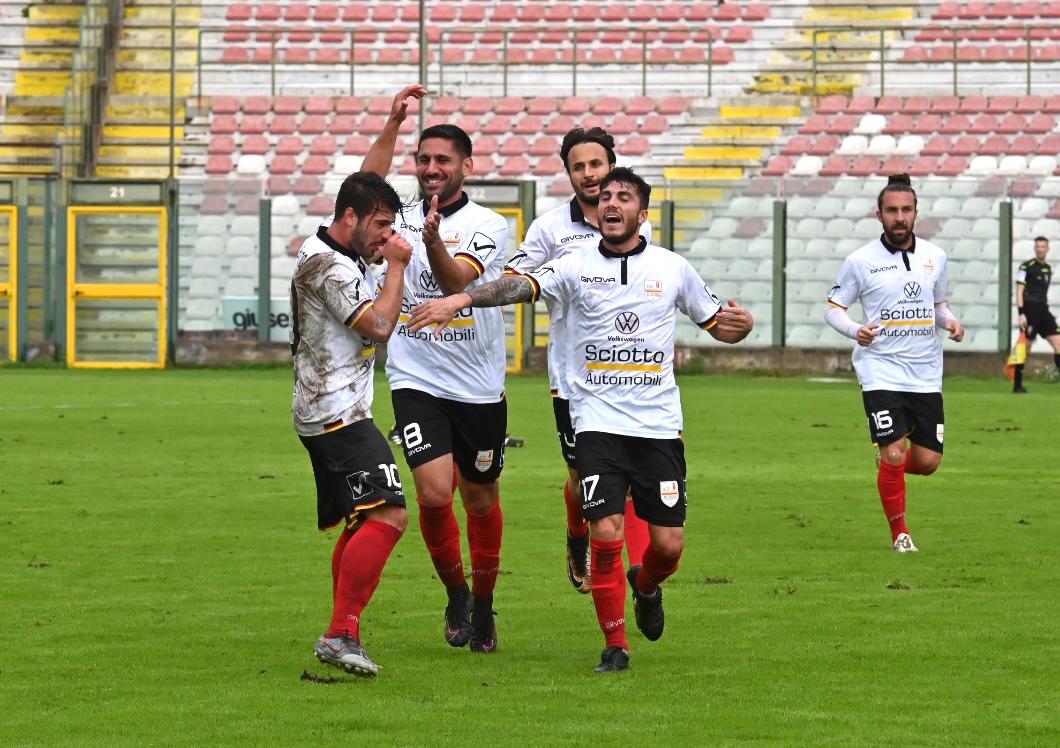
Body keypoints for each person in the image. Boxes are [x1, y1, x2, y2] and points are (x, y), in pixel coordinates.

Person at [408, 167, 754, 672]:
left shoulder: (672, 267)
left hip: (658, 426)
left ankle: (647, 587)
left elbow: (718, 324)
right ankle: (615, 646)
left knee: (667, 546)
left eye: (624, 197)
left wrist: (741, 327)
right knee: (607, 534)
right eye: (607, 196)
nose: (612, 203)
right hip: (595, 421)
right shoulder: (573, 264)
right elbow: (518, 285)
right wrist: (462, 297)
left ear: (643, 213)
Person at [364, 103, 510, 654]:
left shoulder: (488, 225)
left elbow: (456, 282)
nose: (431, 168)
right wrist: (393, 124)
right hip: (415, 377)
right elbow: (363, 187)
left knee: (481, 499)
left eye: (443, 160)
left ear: (467, 166)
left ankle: (486, 602)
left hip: (478, 386)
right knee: (432, 493)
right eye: (423, 159)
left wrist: (432, 243)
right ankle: (456, 595)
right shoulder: (397, 214)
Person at [504, 126, 653, 595]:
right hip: (571, 379)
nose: (589, 174)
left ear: (611, 165)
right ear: (568, 173)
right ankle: (577, 533)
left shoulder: (637, 222)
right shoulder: (549, 228)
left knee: (628, 480)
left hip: (628, 375)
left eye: (596, 164)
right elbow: (517, 275)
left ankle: (639, 575)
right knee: (581, 478)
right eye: (578, 167)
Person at [291, 170, 413, 678]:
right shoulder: (330, 268)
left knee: (366, 518)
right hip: (335, 412)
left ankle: (343, 630)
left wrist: (393, 129)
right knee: (391, 516)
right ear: (350, 217)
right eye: (381, 225)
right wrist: (398, 265)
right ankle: (341, 633)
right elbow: (380, 326)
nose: (387, 236)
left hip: (332, 410)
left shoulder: (331, 244)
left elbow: (367, 178)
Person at [825, 173, 965, 553]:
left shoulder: (936, 257)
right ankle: (900, 535)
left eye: (906, 210)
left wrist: (951, 322)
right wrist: (856, 330)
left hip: (925, 372)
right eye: (891, 211)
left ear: (916, 212)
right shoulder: (860, 261)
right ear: (879, 214)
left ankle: (888, 464)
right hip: (880, 369)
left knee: (928, 461)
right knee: (895, 449)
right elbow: (833, 308)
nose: (899, 217)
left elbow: (939, 305)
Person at [1011, 236, 1059, 393]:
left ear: (1047, 249)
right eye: (1037, 246)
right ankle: (1017, 385)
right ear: (1035, 248)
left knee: (1058, 344)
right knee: (1025, 347)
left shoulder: (1048, 268)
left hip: (1043, 310)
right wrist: (1021, 313)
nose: (1040, 249)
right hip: (1030, 310)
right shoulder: (1026, 267)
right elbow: (1019, 291)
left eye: (1043, 247)